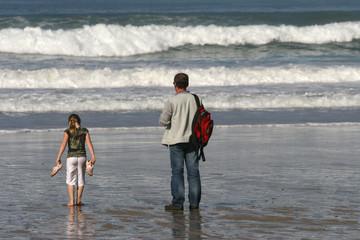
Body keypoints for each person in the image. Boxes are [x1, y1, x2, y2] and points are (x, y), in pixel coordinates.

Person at [159, 73, 202, 211]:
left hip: (176, 140)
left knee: (177, 172)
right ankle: (194, 204)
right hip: (193, 140)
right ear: (187, 84)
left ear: (175, 85)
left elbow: (163, 121)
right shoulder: (196, 99)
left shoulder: (171, 101)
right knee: (193, 173)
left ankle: (178, 203)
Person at [55, 114, 96, 206]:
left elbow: (63, 145)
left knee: (70, 180)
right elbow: (89, 143)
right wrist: (93, 155)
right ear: (79, 120)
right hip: (82, 157)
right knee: (81, 179)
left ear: (70, 121)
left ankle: (71, 202)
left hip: (71, 157)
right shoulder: (84, 131)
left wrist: (58, 157)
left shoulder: (68, 131)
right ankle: (79, 201)